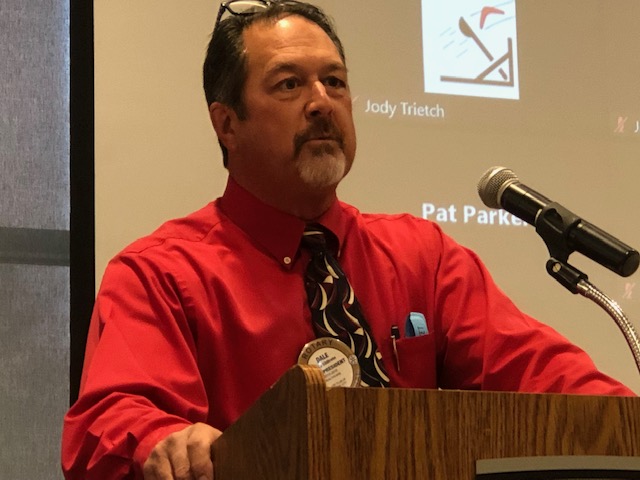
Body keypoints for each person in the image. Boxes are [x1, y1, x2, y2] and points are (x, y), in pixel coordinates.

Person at [62, 1, 635, 479]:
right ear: (227, 124)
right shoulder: (160, 273)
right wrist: (165, 441)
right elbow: (110, 421)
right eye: (289, 84)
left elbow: (539, 372)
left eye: (334, 81)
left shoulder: (422, 257)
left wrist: (625, 421)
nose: (321, 102)